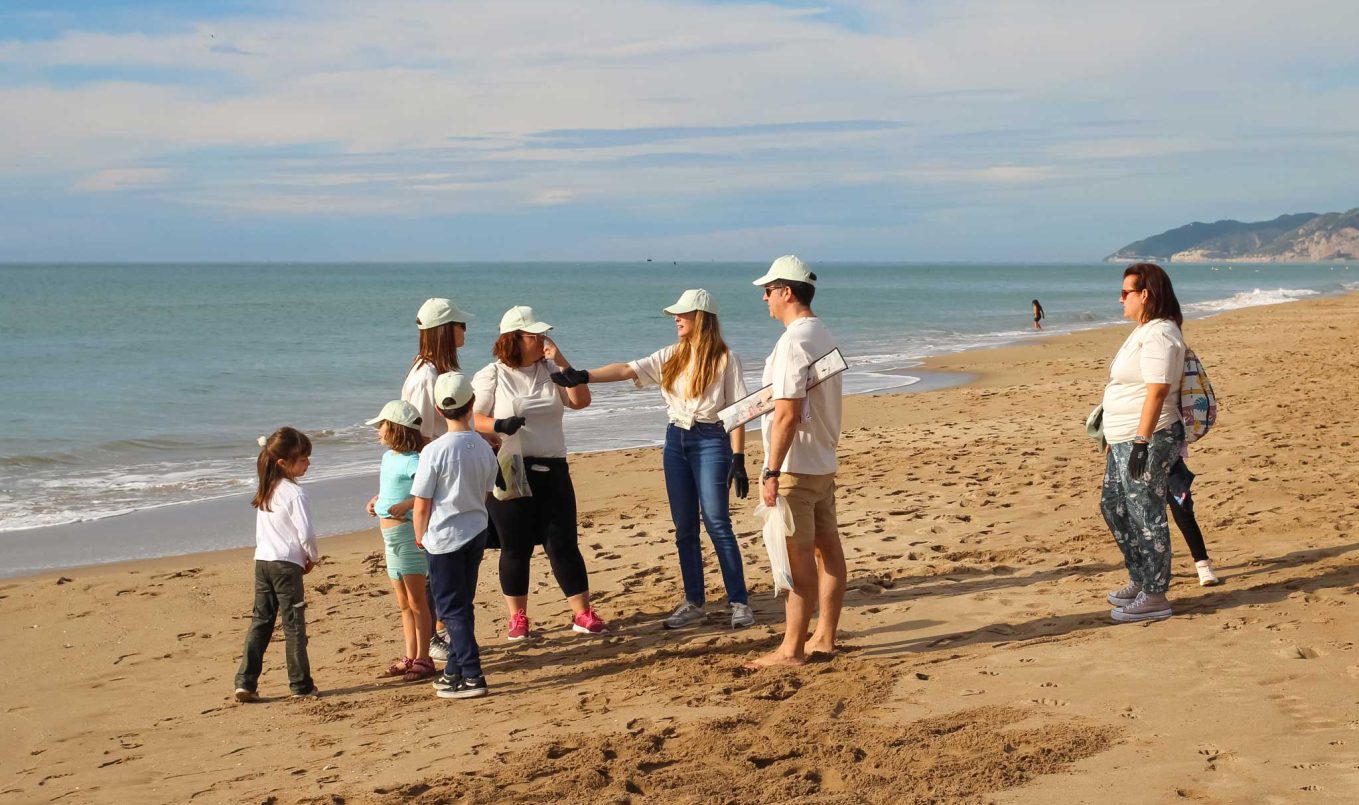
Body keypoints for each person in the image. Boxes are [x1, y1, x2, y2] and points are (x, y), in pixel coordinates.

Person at [549, 289, 755, 630]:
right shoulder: (671, 355)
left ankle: (739, 602)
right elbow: (628, 369)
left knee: (717, 523)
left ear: (700, 317)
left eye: (683, 314)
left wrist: (738, 457)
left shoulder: (725, 359)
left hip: (710, 439)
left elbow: (737, 412)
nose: (676, 318)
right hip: (676, 440)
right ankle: (694, 602)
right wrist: (583, 376)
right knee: (684, 527)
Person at [472, 305, 608, 640]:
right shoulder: (493, 374)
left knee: (562, 541)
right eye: (535, 335)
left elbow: (580, 400)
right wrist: (499, 425)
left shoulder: (550, 369)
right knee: (515, 546)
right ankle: (518, 618)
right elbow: (473, 418)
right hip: (510, 466)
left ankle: (582, 614)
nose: (543, 339)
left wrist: (562, 361)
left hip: (554, 465)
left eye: (543, 334)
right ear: (514, 340)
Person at [746, 256, 846, 669]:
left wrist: (771, 470)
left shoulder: (793, 341)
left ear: (787, 292)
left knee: (796, 557)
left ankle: (792, 649)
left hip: (797, 467)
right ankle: (824, 636)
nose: (765, 299)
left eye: (768, 291)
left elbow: (787, 411)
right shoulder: (821, 331)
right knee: (828, 551)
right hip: (821, 460)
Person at [1101, 263, 1186, 623]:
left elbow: (1157, 391)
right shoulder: (1143, 330)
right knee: (1114, 507)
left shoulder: (1161, 334)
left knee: (1146, 513)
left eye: (1126, 292)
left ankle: (1155, 594)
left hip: (1149, 437)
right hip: (1121, 437)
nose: (1120, 298)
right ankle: (1140, 578)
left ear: (1145, 295)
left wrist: (1140, 441)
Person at [411, 372, 499, 699]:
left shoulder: (433, 451)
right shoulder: (484, 448)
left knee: (451, 610)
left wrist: (420, 536)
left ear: (437, 409)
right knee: (462, 603)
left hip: (444, 538)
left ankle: (473, 673)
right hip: (475, 530)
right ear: (471, 404)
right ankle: (454, 670)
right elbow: (487, 492)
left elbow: (422, 504)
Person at [401, 297, 473, 663]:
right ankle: (433, 637)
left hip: (438, 470)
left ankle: (439, 632)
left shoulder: (433, 370)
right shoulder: (427, 375)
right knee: (435, 557)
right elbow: (418, 434)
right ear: (446, 330)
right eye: (460, 325)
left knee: (444, 555)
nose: (465, 331)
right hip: (431, 475)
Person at [234, 427, 319, 702]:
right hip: (286, 564)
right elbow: (305, 532)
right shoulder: (294, 492)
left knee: (261, 621)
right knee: (294, 624)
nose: (307, 463)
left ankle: (245, 681)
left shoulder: (267, 488)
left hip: (263, 562)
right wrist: (312, 557)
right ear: (283, 463)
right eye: (302, 459)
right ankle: (300, 685)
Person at [364, 400, 437, 683]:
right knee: (404, 602)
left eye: (381, 426)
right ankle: (410, 656)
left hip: (408, 537)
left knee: (418, 601)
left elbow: (429, 494)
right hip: (388, 536)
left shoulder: (415, 461)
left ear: (396, 429)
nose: (377, 432)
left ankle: (424, 658)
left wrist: (407, 504)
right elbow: (388, 490)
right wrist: (376, 502)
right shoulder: (388, 458)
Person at [1168, 457, 1221, 586]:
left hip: (1168, 458)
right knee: (1151, 520)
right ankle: (1159, 570)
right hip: (1133, 455)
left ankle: (1203, 563)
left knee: (1183, 513)